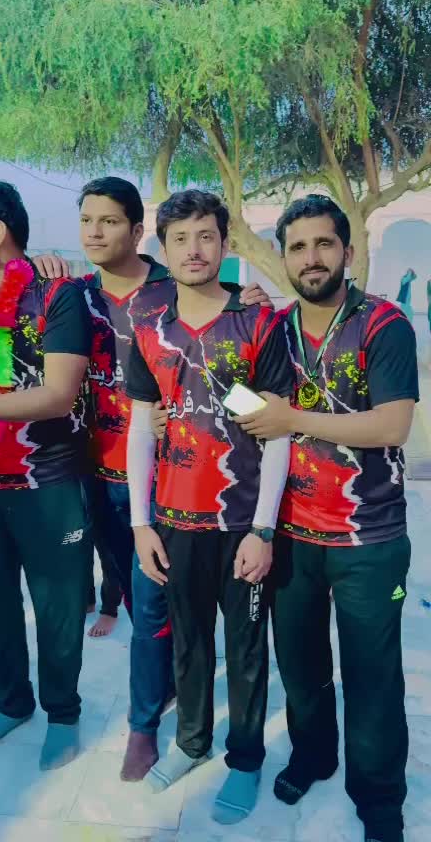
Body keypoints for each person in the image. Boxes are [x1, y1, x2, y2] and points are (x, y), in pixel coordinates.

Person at [39, 176, 272, 781]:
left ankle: (146, 726)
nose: (95, 232)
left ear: (139, 232)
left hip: (190, 489)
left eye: (110, 220)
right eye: (86, 220)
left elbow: (248, 398)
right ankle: (176, 717)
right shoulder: (72, 294)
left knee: (163, 612)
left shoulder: (184, 291)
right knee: (153, 608)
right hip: (104, 475)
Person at [234, 194, 418, 842]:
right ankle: (314, 756)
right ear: (283, 257)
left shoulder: (383, 323)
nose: (310, 258)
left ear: (345, 250)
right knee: (302, 668)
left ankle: (379, 799)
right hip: (291, 534)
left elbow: (392, 425)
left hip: (370, 537)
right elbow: (242, 402)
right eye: (297, 247)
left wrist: (293, 418)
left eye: (323, 244)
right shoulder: (272, 328)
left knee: (372, 676)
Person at [126, 189, 294, 824]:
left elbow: (274, 431)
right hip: (175, 521)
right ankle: (191, 742)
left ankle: (245, 759)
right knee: (189, 643)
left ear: (224, 244)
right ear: (164, 248)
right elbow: (142, 429)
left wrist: (263, 529)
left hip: (241, 524)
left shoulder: (256, 323)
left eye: (206, 236)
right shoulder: (150, 329)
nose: (194, 250)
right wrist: (141, 523)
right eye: (180, 239)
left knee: (246, 649)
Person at [0, 180, 93, 771]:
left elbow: (59, 395)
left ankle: (63, 713)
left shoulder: (57, 295)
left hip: (48, 484)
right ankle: (13, 703)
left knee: (58, 608)